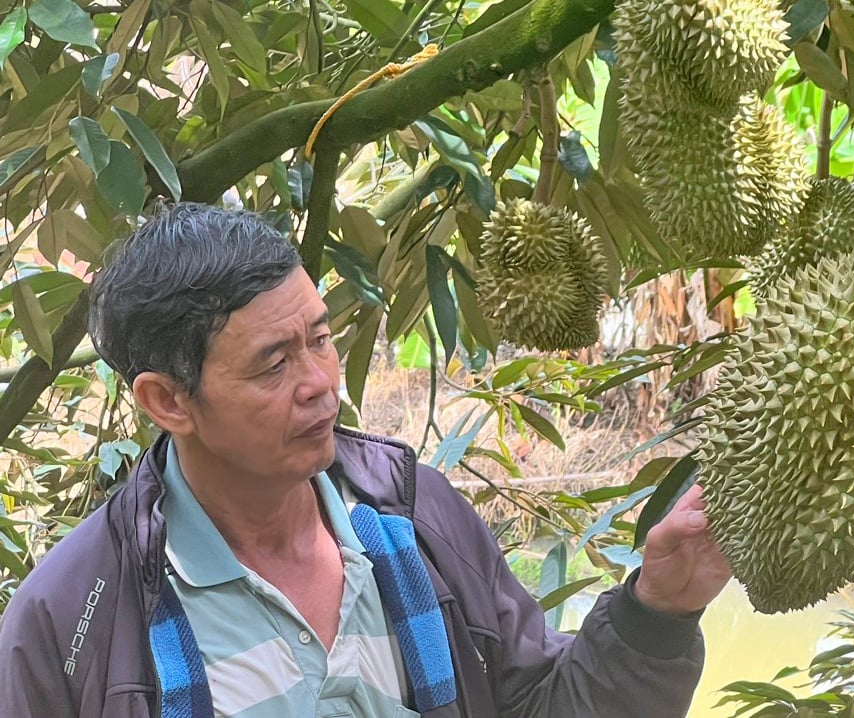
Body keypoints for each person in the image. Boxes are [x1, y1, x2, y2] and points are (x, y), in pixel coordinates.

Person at [0, 203, 732, 718]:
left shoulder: (420, 523)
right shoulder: (70, 623)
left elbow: (546, 707)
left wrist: (658, 614)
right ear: (168, 403)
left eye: (319, 338)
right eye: (272, 364)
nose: (322, 382)